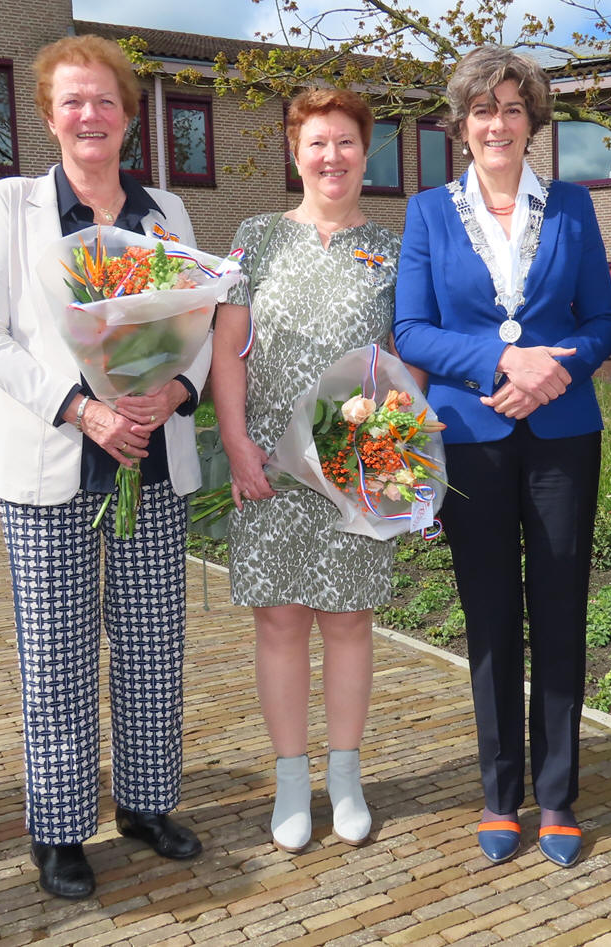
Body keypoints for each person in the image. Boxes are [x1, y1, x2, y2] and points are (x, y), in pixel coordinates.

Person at [0, 34, 207, 900]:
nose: (90, 115)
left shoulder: (165, 213)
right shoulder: (13, 204)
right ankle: (60, 830)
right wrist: (82, 406)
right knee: (57, 658)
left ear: (129, 114)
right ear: (49, 114)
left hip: (151, 460)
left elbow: (203, 324)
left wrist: (175, 388)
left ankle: (146, 804)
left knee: (150, 648)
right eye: (73, 101)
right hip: (51, 465)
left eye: (105, 100)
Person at [393, 45, 611, 869]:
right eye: (483, 110)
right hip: (470, 438)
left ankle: (556, 793)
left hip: (562, 433)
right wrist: (501, 361)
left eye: (513, 108)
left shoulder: (573, 208)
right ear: (462, 126)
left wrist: (551, 367)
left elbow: (603, 322)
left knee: (560, 608)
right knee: (490, 616)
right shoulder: (426, 213)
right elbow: (411, 329)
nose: (498, 123)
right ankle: (499, 792)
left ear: (534, 123)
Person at [211, 88, 406, 854]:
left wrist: (397, 459)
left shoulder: (392, 248)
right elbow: (227, 349)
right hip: (267, 466)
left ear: (367, 152)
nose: (332, 157)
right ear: (296, 152)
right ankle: (293, 779)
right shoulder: (253, 239)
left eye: (347, 143)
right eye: (317, 143)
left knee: (350, 620)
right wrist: (235, 446)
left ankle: (346, 776)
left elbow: (405, 360)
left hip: (357, 464)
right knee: (281, 619)